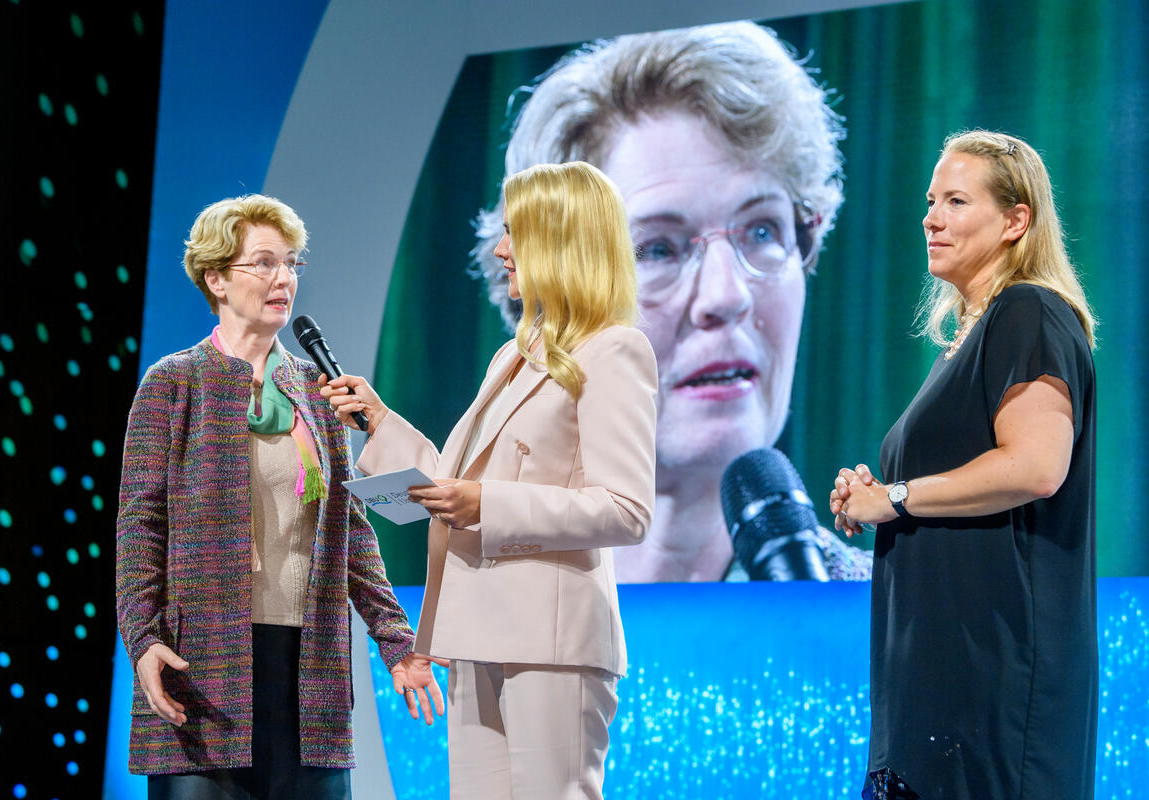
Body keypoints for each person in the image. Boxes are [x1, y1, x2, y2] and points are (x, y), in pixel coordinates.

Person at [471, 21, 869, 582]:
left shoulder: (895, 620)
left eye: (761, 231)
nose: (726, 296)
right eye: (656, 248)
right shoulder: (452, 634)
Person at [322, 161, 656, 798]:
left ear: (560, 240)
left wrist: (488, 503)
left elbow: (625, 509)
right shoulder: (514, 353)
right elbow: (453, 486)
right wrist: (381, 423)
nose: (500, 248)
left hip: (551, 639)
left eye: (514, 231)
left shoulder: (615, 349)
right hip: (477, 629)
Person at [115, 194, 443, 798]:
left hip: (307, 665)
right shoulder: (172, 384)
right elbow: (140, 529)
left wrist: (397, 640)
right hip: (203, 666)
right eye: (263, 263)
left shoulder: (319, 393)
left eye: (291, 263)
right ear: (215, 277)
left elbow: (352, 532)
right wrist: (143, 639)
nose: (283, 278)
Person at [829, 131, 1098, 799]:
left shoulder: (1028, 311)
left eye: (955, 200)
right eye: (930, 201)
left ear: (1015, 220)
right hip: (935, 681)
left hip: (992, 687)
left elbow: (1036, 467)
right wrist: (873, 494)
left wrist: (893, 496)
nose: (931, 217)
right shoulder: (971, 337)